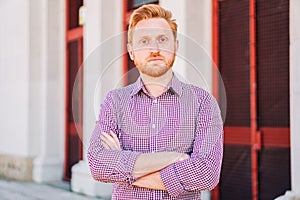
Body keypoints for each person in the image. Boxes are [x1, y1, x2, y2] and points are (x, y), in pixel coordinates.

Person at [87, 4, 223, 200]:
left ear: (175, 46)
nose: (155, 49)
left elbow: (206, 173)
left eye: (162, 39)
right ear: (131, 51)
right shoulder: (115, 101)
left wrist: (123, 167)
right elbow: (98, 164)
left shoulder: (203, 103)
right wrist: (174, 158)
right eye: (144, 41)